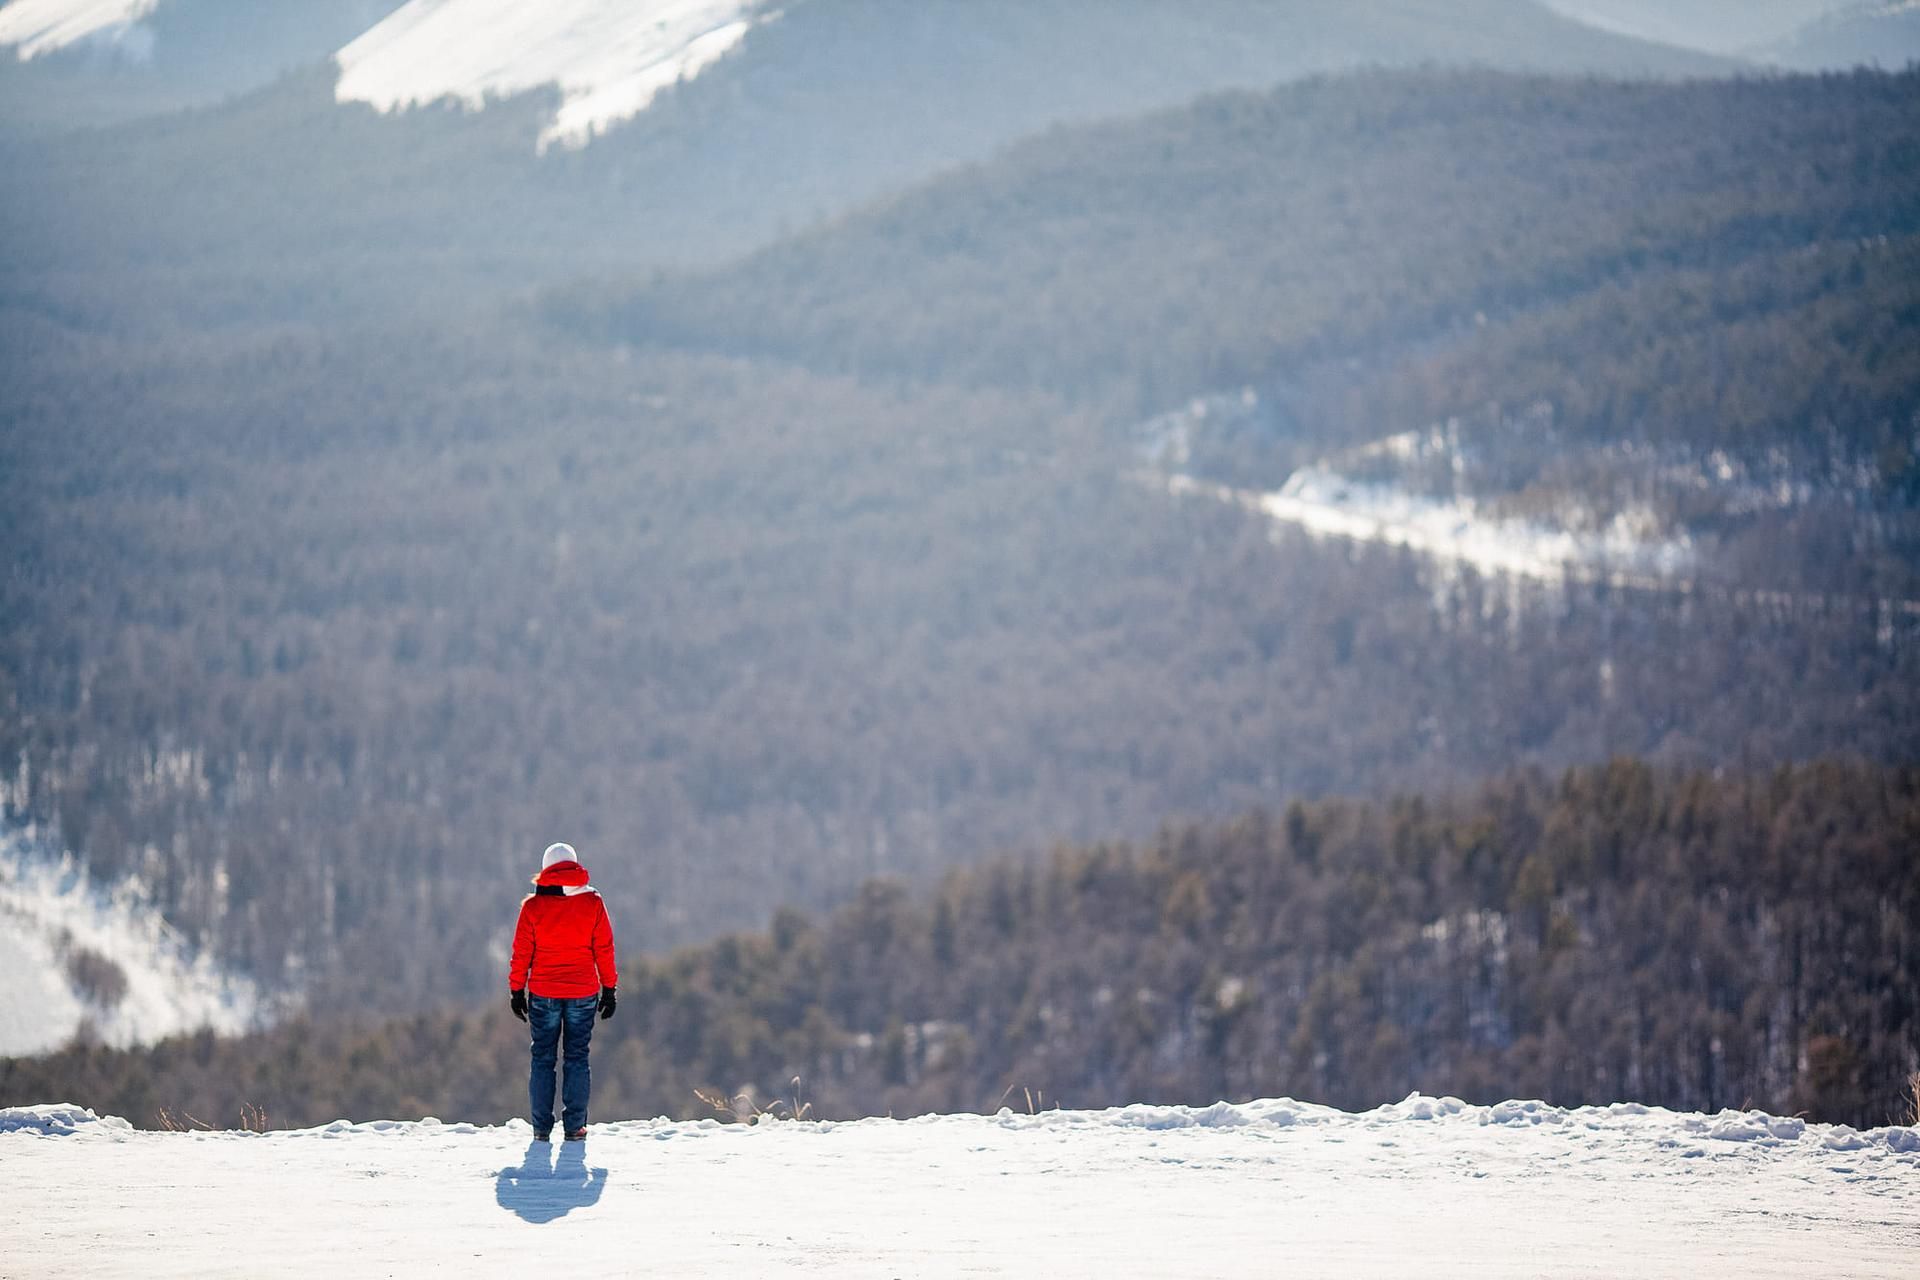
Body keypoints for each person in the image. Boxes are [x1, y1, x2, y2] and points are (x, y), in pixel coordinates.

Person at [508, 841, 618, 1142]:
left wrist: (517, 990)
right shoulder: (593, 902)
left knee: (542, 1057)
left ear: (546, 869)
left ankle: (541, 1128)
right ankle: (575, 1126)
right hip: (583, 992)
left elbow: (522, 953)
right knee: (577, 1056)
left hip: (543, 992)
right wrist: (609, 987)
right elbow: (604, 949)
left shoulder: (532, 906)